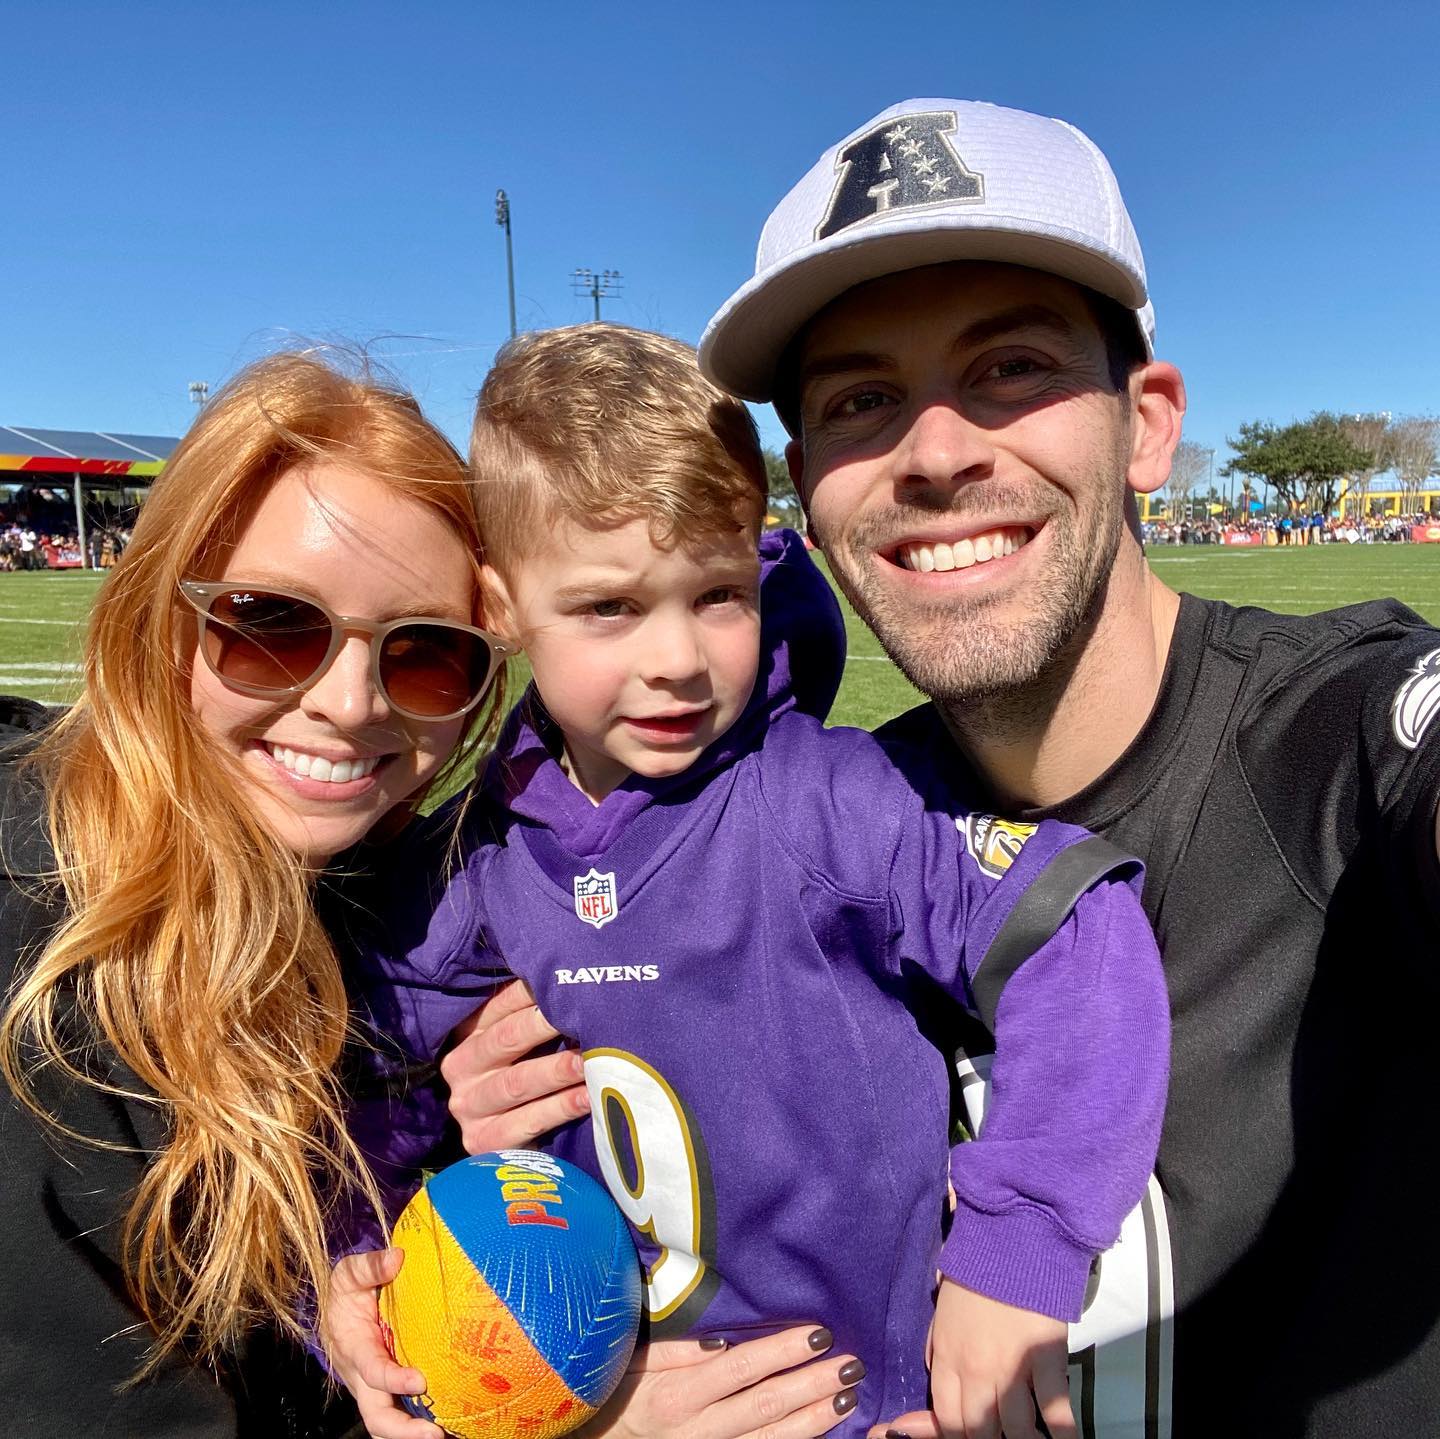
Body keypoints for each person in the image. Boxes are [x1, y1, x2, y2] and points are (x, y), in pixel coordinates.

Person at [685, 97, 1440, 1437]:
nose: (933, 452)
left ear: (1148, 425)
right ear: (805, 482)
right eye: (863, 399)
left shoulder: (1336, 734)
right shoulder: (814, 831)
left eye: (1012, 367)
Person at [324, 324, 1169, 1439]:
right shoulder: (479, 857)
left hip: (862, 1407)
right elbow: (344, 1077)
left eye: (718, 593)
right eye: (609, 607)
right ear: (499, 603)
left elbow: (1079, 928)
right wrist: (359, 1266)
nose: (677, 656)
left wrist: (1015, 1261)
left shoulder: (825, 801)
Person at [0, 352, 517, 1435]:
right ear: (160, 615)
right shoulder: (36, 925)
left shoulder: (415, 904)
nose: (349, 701)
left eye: (426, 653)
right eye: (270, 623)